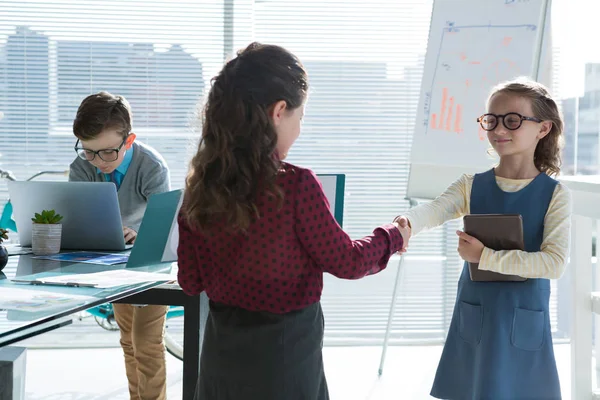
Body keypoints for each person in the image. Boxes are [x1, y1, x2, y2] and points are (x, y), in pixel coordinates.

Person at [176, 42, 411, 400]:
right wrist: (393, 236)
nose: (299, 130)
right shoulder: (295, 185)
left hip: (222, 360)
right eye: (300, 119)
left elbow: (191, 282)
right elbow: (348, 261)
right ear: (279, 111)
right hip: (283, 360)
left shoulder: (200, 187)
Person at [396, 78, 571, 400]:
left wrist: (485, 257)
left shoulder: (555, 196)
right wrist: (407, 223)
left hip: (522, 316)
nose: (499, 129)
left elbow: (554, 264)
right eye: (492, 120)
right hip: (477, 314)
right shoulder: (470, 185)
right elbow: (436, 210)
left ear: (543, 129)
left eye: (513, 120)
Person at [69, 91, 171, 400]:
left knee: (146, 340)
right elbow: (78, 219)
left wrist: (139, 237)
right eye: (89, 152)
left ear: (128, 140)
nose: (98, 162)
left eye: (108, 153)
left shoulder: (152, 167)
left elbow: (163, 230)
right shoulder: (82, 166)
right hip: (111, 264)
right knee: (128, 339)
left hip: (151, 263)